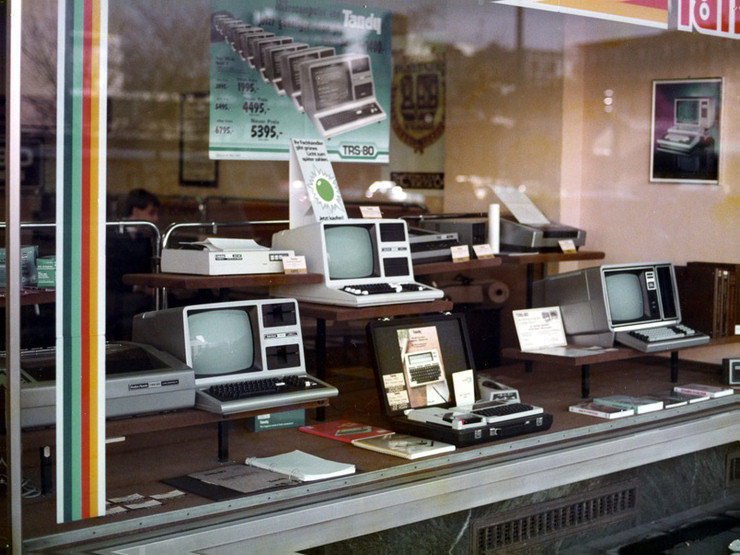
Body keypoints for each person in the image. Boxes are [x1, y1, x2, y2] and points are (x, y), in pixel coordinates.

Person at [106, 188, 161, 340]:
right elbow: (109, 275)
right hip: (117, 296)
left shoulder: (145, 237)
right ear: (136, 211)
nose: (155, 219)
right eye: (151, 213)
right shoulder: (112, 235)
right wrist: (141, 287)